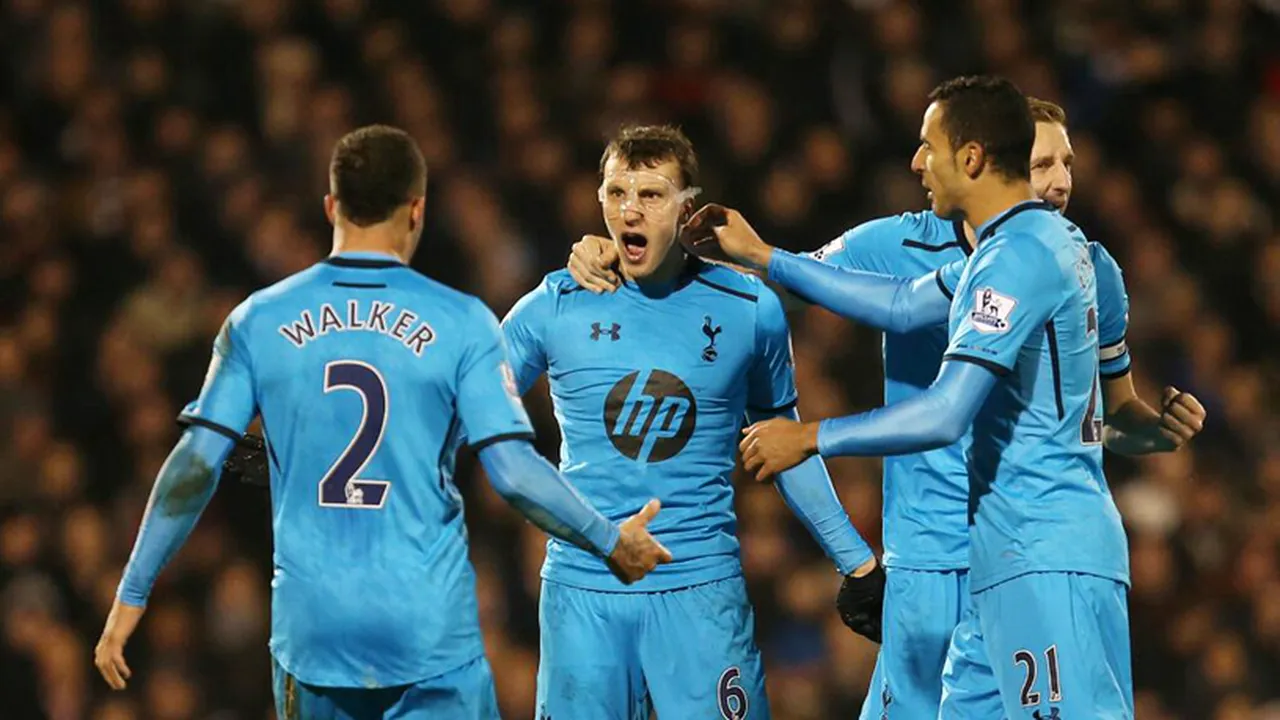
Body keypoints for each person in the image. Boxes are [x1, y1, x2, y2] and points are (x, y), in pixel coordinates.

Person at [566, 96, 1206, 717]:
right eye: (1046, 164)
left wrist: (813, 436)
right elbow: (896, 304)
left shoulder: (1046, 257)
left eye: (1065, 163)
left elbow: (957, 412)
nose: (1062, 180)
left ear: (976, 159)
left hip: (1044, 547)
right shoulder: (982, 252)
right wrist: (645, 263)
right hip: (965, 555)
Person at [93, 125, 673, 720]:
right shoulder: (462, 322)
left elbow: (195, 463)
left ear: (331, 207)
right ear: (417, 210)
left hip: (314, 634)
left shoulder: (257, 321)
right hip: (427, 631)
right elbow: (514, 473)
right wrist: (609, 540)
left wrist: (133, 591)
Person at [501, 124, 876, 720]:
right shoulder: (552, 306)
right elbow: (475, 413)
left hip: (699, 591)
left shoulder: (750, 310)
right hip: (583, 592)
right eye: (617, 192)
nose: (630, 209)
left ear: (687, 208)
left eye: (650, 194)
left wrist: (855, 562)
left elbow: (782, 438)